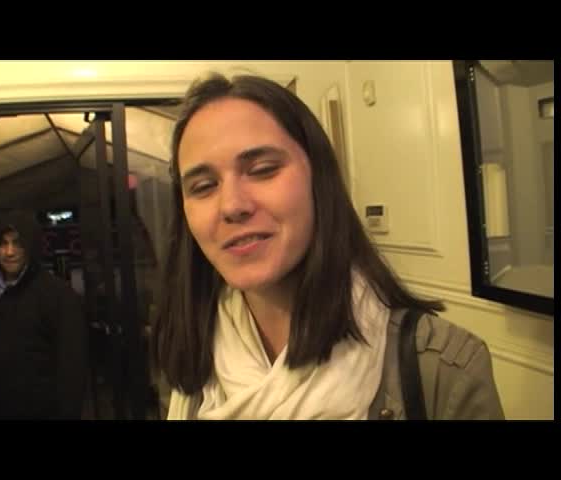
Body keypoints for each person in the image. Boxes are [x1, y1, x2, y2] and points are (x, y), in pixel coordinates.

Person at [150, 73, 505, 420]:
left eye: (262, 169)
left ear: (319, 178)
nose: (231, 205)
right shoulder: (191, 358)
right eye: (203, 187)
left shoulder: (442, 369)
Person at [0, 210, 88, 419]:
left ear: (31, 246)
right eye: (3, 243)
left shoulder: (56, 295)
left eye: (18, 243)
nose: (9, 252)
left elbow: (71, 367)